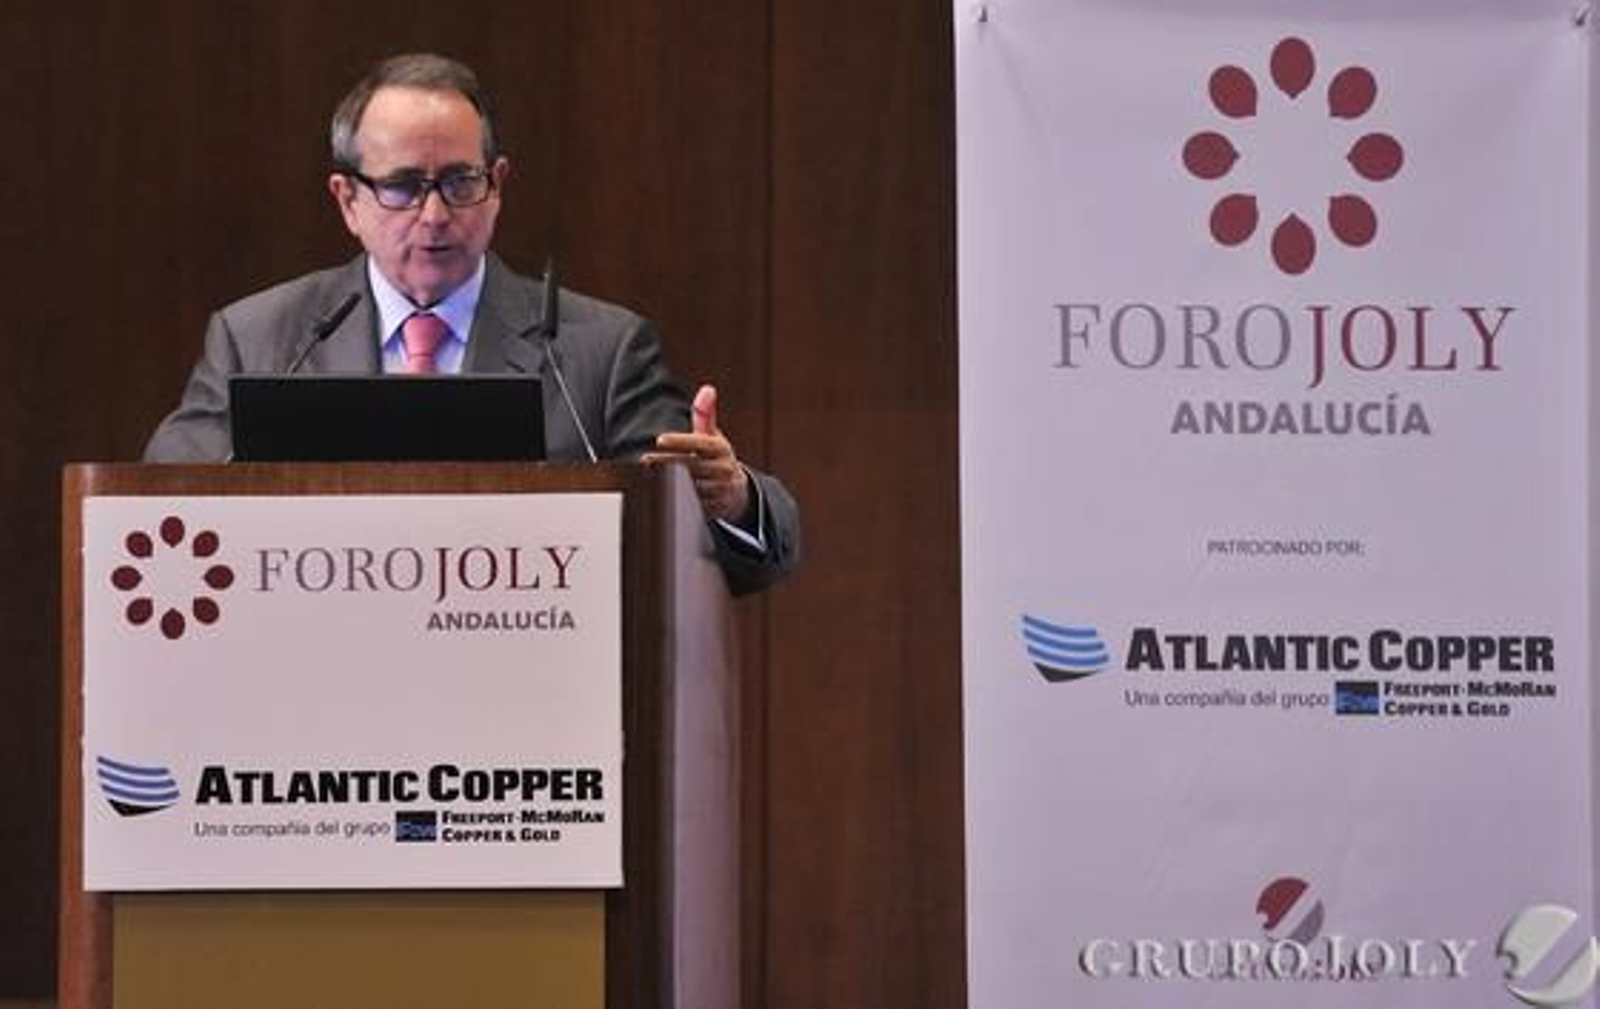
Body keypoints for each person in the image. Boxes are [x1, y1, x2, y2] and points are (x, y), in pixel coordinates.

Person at [144, 52, 798, 595]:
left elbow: (731, 542)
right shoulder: (259, 339)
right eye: (401, 185)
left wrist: (731, 497)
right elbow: (154, 512)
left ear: (499, 182)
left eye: (460, 181)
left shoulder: (598, 351)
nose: (433, 215)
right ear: (347, 199)